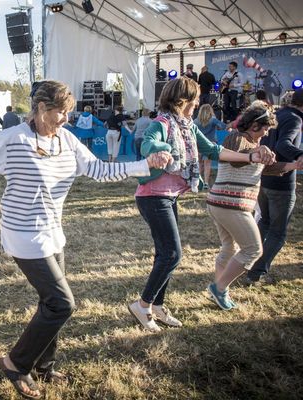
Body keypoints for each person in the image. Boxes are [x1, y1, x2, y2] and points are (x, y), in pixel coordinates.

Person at [0, 80, 172, 399]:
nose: (65, 119)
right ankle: (16, 363)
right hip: (23, 234)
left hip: (52, 233)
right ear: (41, 109)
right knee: (62, 304)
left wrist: (144, 165)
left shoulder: (67, 140)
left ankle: (44, 368)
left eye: (68, 113)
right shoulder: (14, 139)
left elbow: (99, 170)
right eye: (61, 113)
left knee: (48, 303)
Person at [128, 77, 274, 332]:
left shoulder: (188, 127)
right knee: (172, 254)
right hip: (152, 196)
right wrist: (160, 149)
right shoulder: (162, 123)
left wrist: (250, 156)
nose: (198, 102)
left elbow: (215, 150)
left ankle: (158, 306)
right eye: (195, 98)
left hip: (168, 196)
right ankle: (142, 305)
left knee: (166, 254)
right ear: (182, 100)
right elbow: (149, 143)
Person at [206, 102, 299, 310]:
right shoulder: (236, 138)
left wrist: (294, 165)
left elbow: (268, 167)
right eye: (265, 128)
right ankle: (218, 288)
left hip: (222, 203)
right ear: (255, 125)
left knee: (229, 248)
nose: (266, 133)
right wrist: (260, 150)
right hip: (231, 204)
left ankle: (220, 291)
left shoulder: (254, 145)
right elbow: (239, 159)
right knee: (254, 249)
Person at [245, 89, 303, 285]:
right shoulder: (295, 120)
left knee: (264, 224)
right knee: (278, 233)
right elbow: (283, 145)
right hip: (280, 181)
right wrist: (299, 155)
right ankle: (256, 272)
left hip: (265, 177)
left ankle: (247, 265)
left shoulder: (277, 114)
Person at [194, 104, 227, 188]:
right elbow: (223, 126)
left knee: (199, 164)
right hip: (210, 144)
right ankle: (205, 183)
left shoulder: (196, 121)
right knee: (207, 164)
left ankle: (197, 182)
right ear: (210, 111)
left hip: (198, 144)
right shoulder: (213, 120)